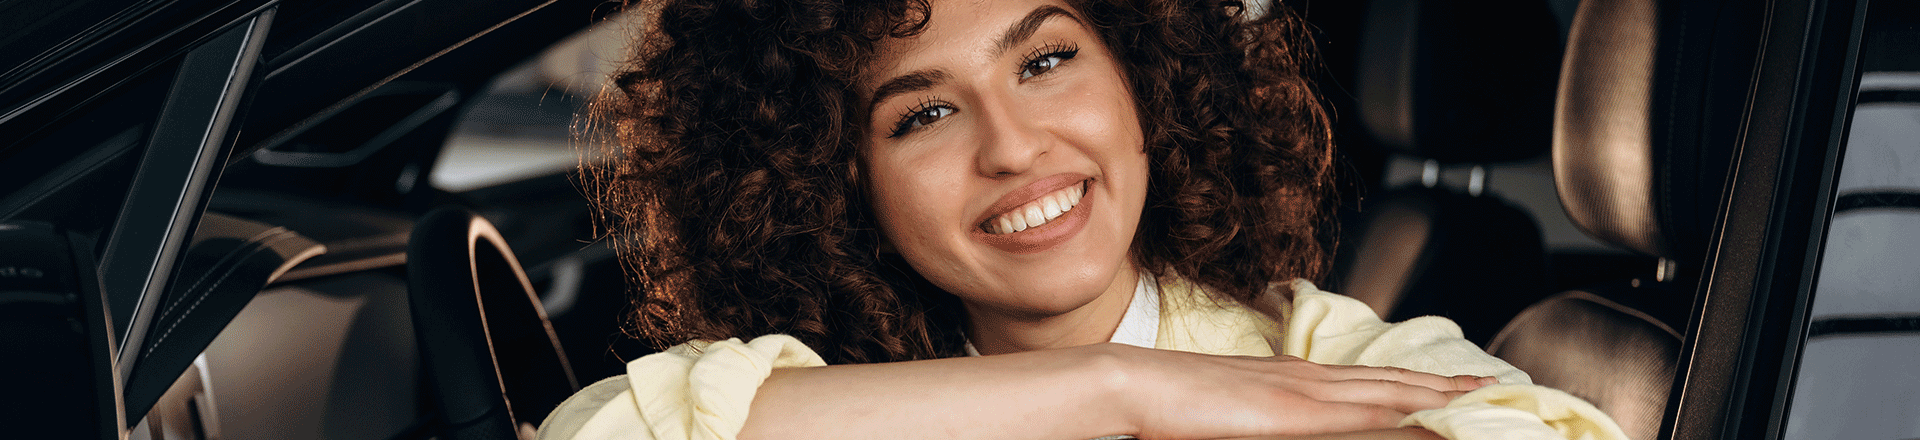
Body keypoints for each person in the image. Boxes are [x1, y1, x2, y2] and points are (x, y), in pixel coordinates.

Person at [544, 0, 1629, 439]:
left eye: (1046, 61)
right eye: (923, 114)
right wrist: (1114, 385)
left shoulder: (1322, 353)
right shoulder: (838, 398)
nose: (1013, 147)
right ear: (832, 182)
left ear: (1143, 79)